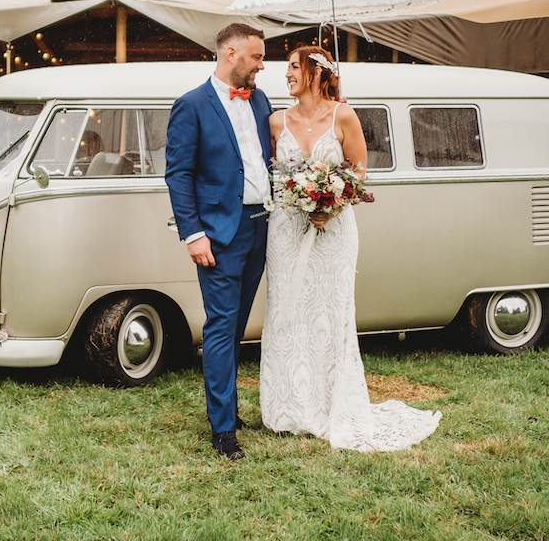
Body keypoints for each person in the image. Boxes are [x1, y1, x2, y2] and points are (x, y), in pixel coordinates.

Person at [260, 46, 441, 452]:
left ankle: (330, 405)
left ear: (314, 73)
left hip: (334, 233)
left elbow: (358, 171)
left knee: (329, 312)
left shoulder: (344, 115)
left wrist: (330, 203)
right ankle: (288, 408)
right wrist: (300, 198)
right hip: (287, 232)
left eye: (292, 67)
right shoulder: (275, 121)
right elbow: (276, 174)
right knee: (288, 310)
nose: (285, 74)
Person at [165, 23, 272, 461]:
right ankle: (223, 428)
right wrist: (193, 234)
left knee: (237, 324)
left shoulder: (261, 99)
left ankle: (227, 408)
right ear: (230, 54)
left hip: (262, 226)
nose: (261, 66)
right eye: (256, 57)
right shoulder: (191, 105)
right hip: (218, 235)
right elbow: (178, 174)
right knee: (221, 327)